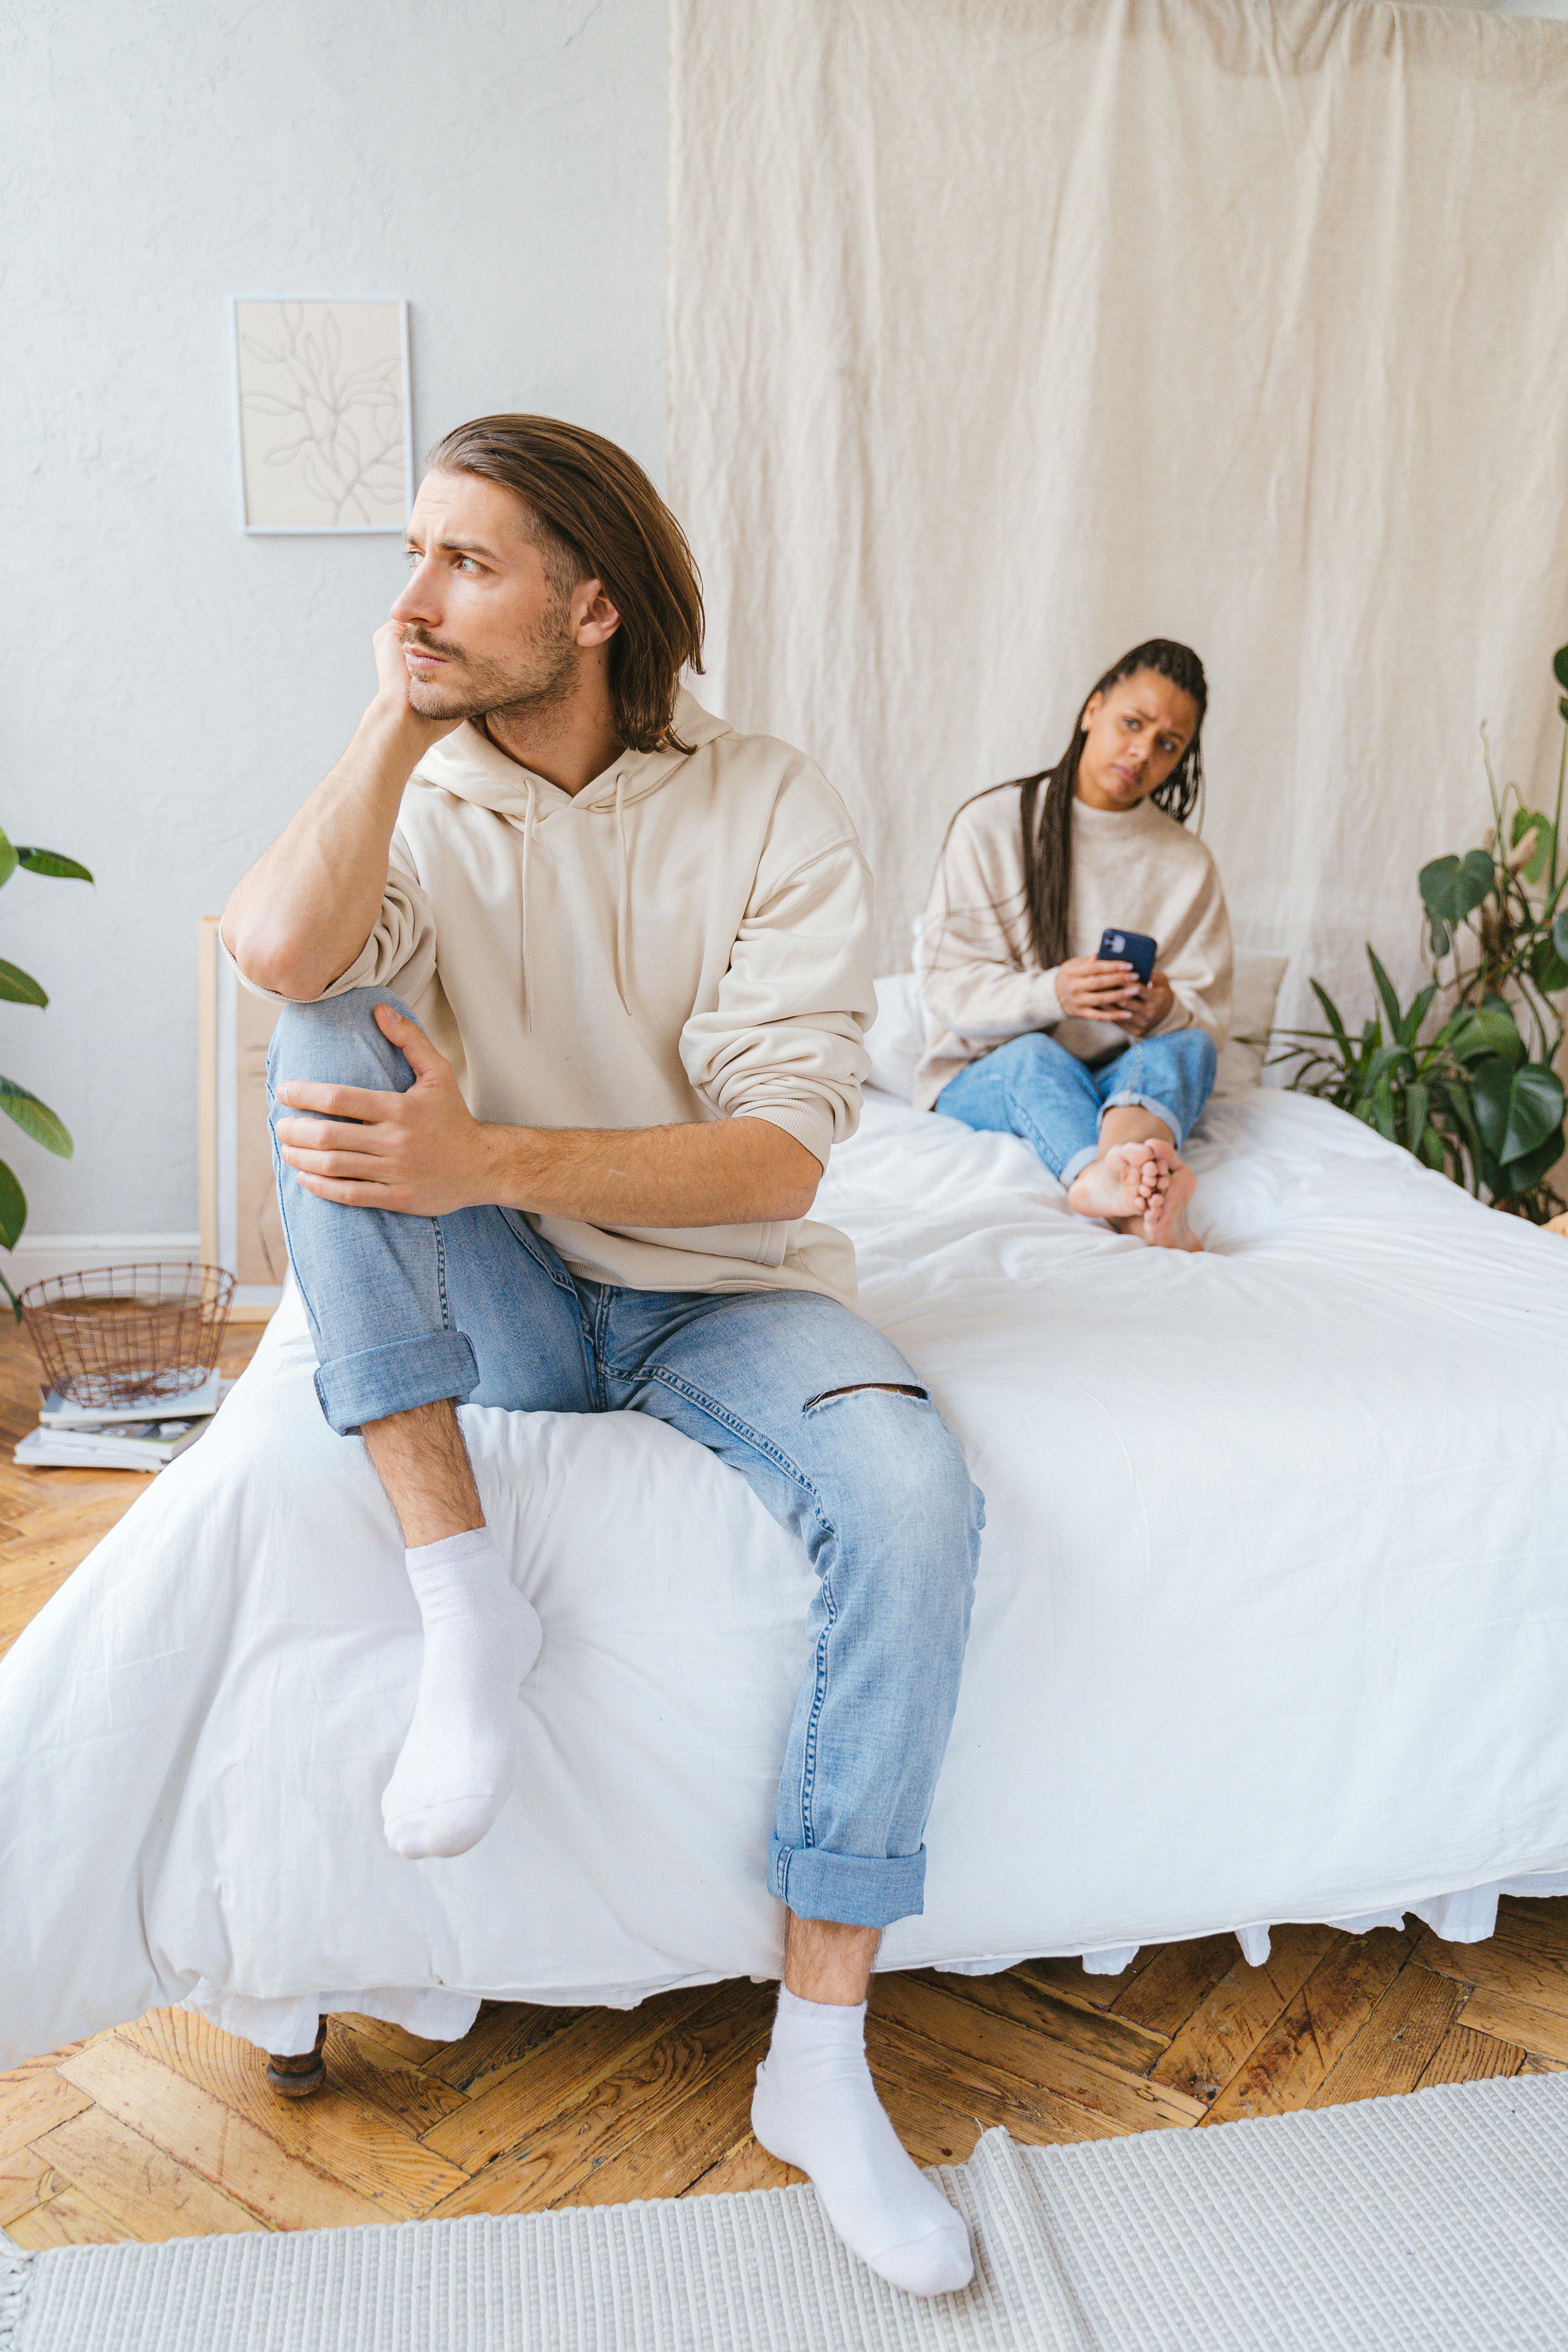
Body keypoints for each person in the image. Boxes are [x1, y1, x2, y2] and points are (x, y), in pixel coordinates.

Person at [223, 414, 981, 2297]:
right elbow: (275, 947)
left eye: (460, 564)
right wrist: (399, 723)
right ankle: (461, 1594)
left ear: (587, 606)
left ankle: (819, 2054)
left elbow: (783, 1151)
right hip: (509, 1295)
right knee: (320, 1028)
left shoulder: (770, 804)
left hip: (723, 1287)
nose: (412, 596)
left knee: (910, 1489)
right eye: (411, 555)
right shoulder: (423, 794)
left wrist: (485, 1153)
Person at [915, 641, 1231, 1249]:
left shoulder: (1187, 863)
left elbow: (1208, 1020)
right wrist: (1054, 991)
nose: (1143, 752)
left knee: (1183, 1046)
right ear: (1093, 710)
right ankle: (1112, 1187)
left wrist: (1165, 1011)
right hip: (989, 1065)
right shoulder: (992, 826)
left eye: (1168, 744)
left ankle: (1127, 1189)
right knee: (1039, 1059)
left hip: (1118, 1074)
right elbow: (946, 987)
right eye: (1132, 724)